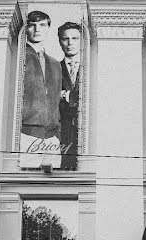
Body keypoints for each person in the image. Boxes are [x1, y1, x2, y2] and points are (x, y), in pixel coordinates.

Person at [21, 11, 62, 167]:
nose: (37, 29)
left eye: (42, 25)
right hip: (27, 134)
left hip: (52, 137)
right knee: (26, 180)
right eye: (32, 25)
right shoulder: (20, 56)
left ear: (48, 28)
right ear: (26, 28)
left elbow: (56, 100)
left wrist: (57, 134)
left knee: (53, 186)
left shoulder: (55, 64)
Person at [57, 22, 81, 171]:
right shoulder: (53, 68)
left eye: (75, 38)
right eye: (66, 38)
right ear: (60, 41)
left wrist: (66, 94)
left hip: (86, 131)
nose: (70, 43)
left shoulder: (91, 67)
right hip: (62, 130)